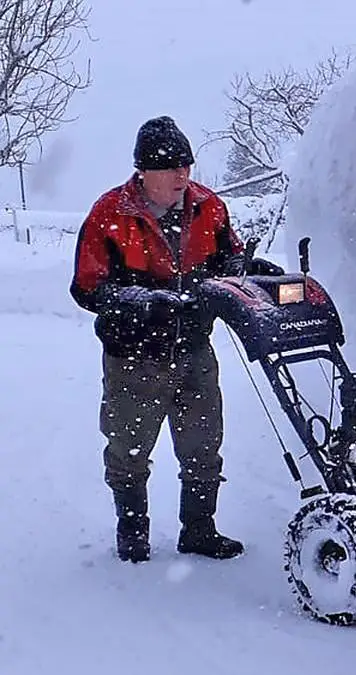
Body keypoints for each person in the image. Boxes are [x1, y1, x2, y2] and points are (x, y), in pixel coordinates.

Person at [69, 116, 283, 563]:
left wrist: (250, 269)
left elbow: (227, 262)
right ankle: (132, 531)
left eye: (186, 164)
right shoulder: (111, 214)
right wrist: (138, 301)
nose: (181, 175)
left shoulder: (209, 207)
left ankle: (199, 530)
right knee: (128, 448)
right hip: (134, 356)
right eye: (170, 167)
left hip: (194, 350)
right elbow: (87, 287)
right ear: (143, 170)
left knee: (203, 445)